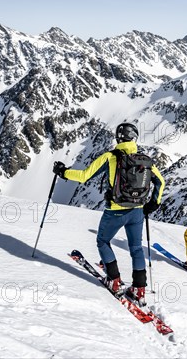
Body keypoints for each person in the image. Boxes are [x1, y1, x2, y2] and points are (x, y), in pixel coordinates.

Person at [53, 122, 164, 306]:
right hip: (137, 211)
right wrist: (153, 203)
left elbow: (84, 176)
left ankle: (113, 279)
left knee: (103, 241)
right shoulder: (144, 160)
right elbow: (160, 181)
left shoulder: (110, 157)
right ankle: (139, 289)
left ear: (119, 138)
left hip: (115, 211)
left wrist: (63, 172)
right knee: (136, 248)